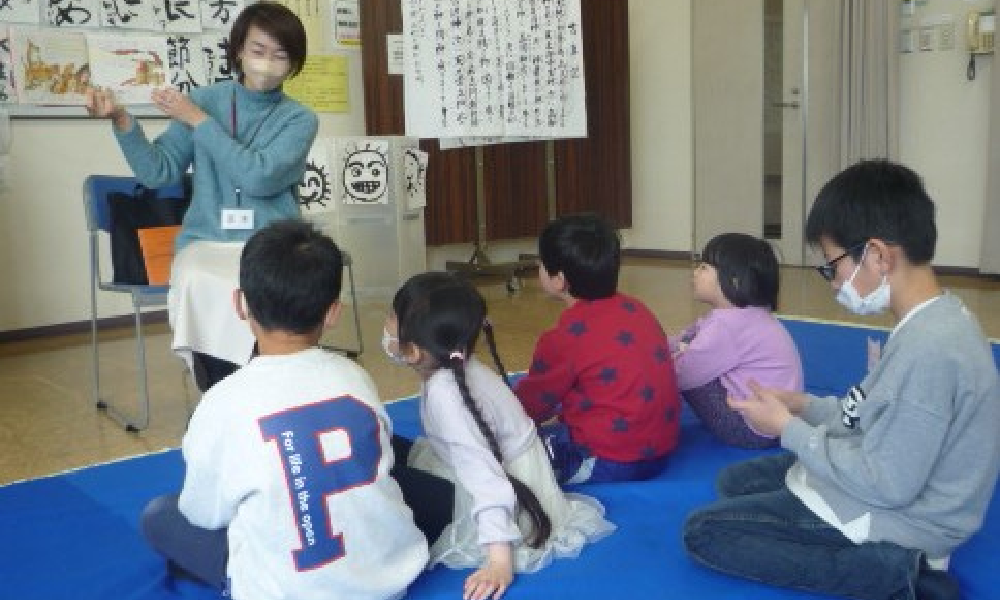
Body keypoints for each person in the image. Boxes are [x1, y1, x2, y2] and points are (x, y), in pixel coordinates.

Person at [683, 160, 1000, 600]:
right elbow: (863, 412)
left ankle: (900, 570)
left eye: (832, 267)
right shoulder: (932, 318)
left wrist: (788, 430)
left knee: (704, 533)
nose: (833, 285)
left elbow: (887, 484)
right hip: (882, 475)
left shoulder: (933, 350)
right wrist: (801, 405)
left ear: (877, 256)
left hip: (903, 516)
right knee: (734, 484)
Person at [139, 219, 428, 600]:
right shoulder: (355, 376)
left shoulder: (222, 401)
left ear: (239, 304)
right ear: (333, 312)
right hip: (388, 576)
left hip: (287, 589)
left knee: (160, 515)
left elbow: (204, 513)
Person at [85, 1, 319, 391]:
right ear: (239, 50)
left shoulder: (299, 119)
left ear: (293, 63)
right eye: (258, 51)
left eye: (280, 55)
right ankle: (218, 395)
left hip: (274, 243)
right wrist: (122, 120)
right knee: (200, 283)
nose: (266, 63)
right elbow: (158, 171)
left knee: (270, 295)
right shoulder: (207, 99)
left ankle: (275, 394)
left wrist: (197, 120)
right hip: (206, 240)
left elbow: (259, 178)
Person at [385, 272, 615, 600]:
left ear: (414, 351)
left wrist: (499, 560)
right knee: (388, 452)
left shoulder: (446, 395)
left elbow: (485, 477)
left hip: (502, 494)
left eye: (392, 317)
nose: (387, 324)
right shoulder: (454, 367)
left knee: (391, 483)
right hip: (503, 468)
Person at [514, 213, 681, 484]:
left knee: (514, 457)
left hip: (613, 459)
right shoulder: (638, 309)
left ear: (559, 280)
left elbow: (530, 404)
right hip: (661, 449)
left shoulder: (562, 338)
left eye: (542, 263)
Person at [670, 233, 803, 448]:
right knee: (693, 343)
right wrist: (663, 345)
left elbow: (684, 374)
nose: (694, 273)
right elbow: (689, 336)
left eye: (704, 267)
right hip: (780, 420)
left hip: (751, 429)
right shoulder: (746, 314)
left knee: (678, 369)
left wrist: (660, 362)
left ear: (733, 280)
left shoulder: (727, 325)